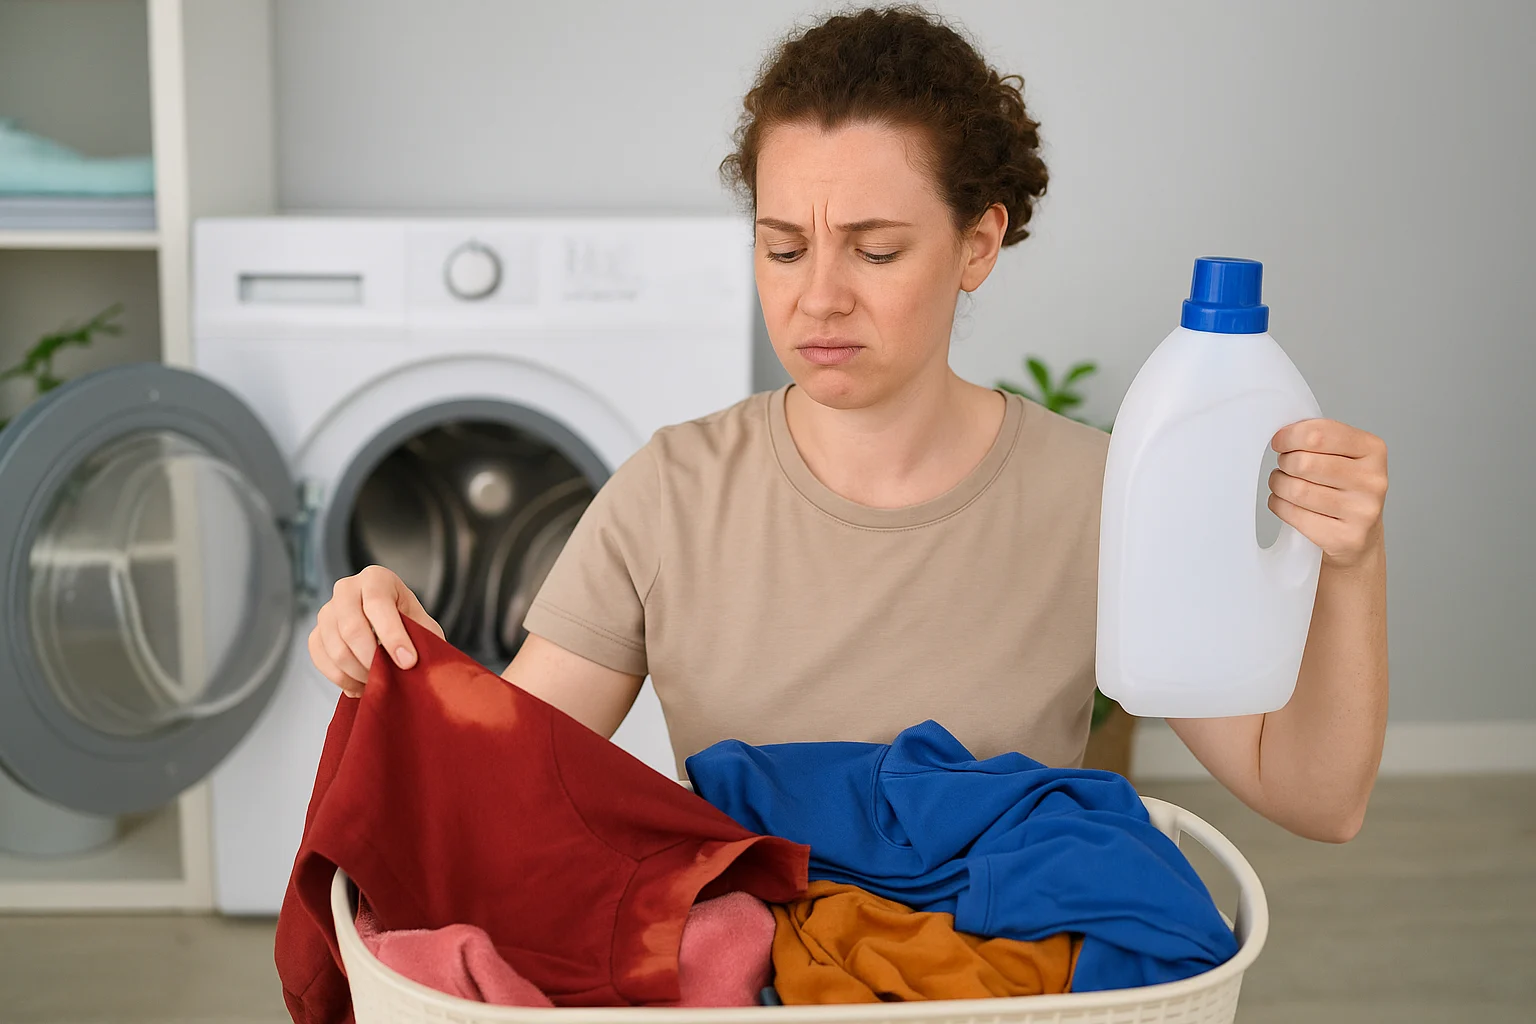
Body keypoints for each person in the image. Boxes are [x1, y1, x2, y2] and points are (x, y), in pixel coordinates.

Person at [307, 7, 1389, 843]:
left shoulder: (1101, 497)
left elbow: (1313, 795)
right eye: (783, 248)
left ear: (977, 245)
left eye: (875, 250)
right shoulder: (674, 493)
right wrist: (402, 657)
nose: (818, 298)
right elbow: (491, 794)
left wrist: (1350, 563)